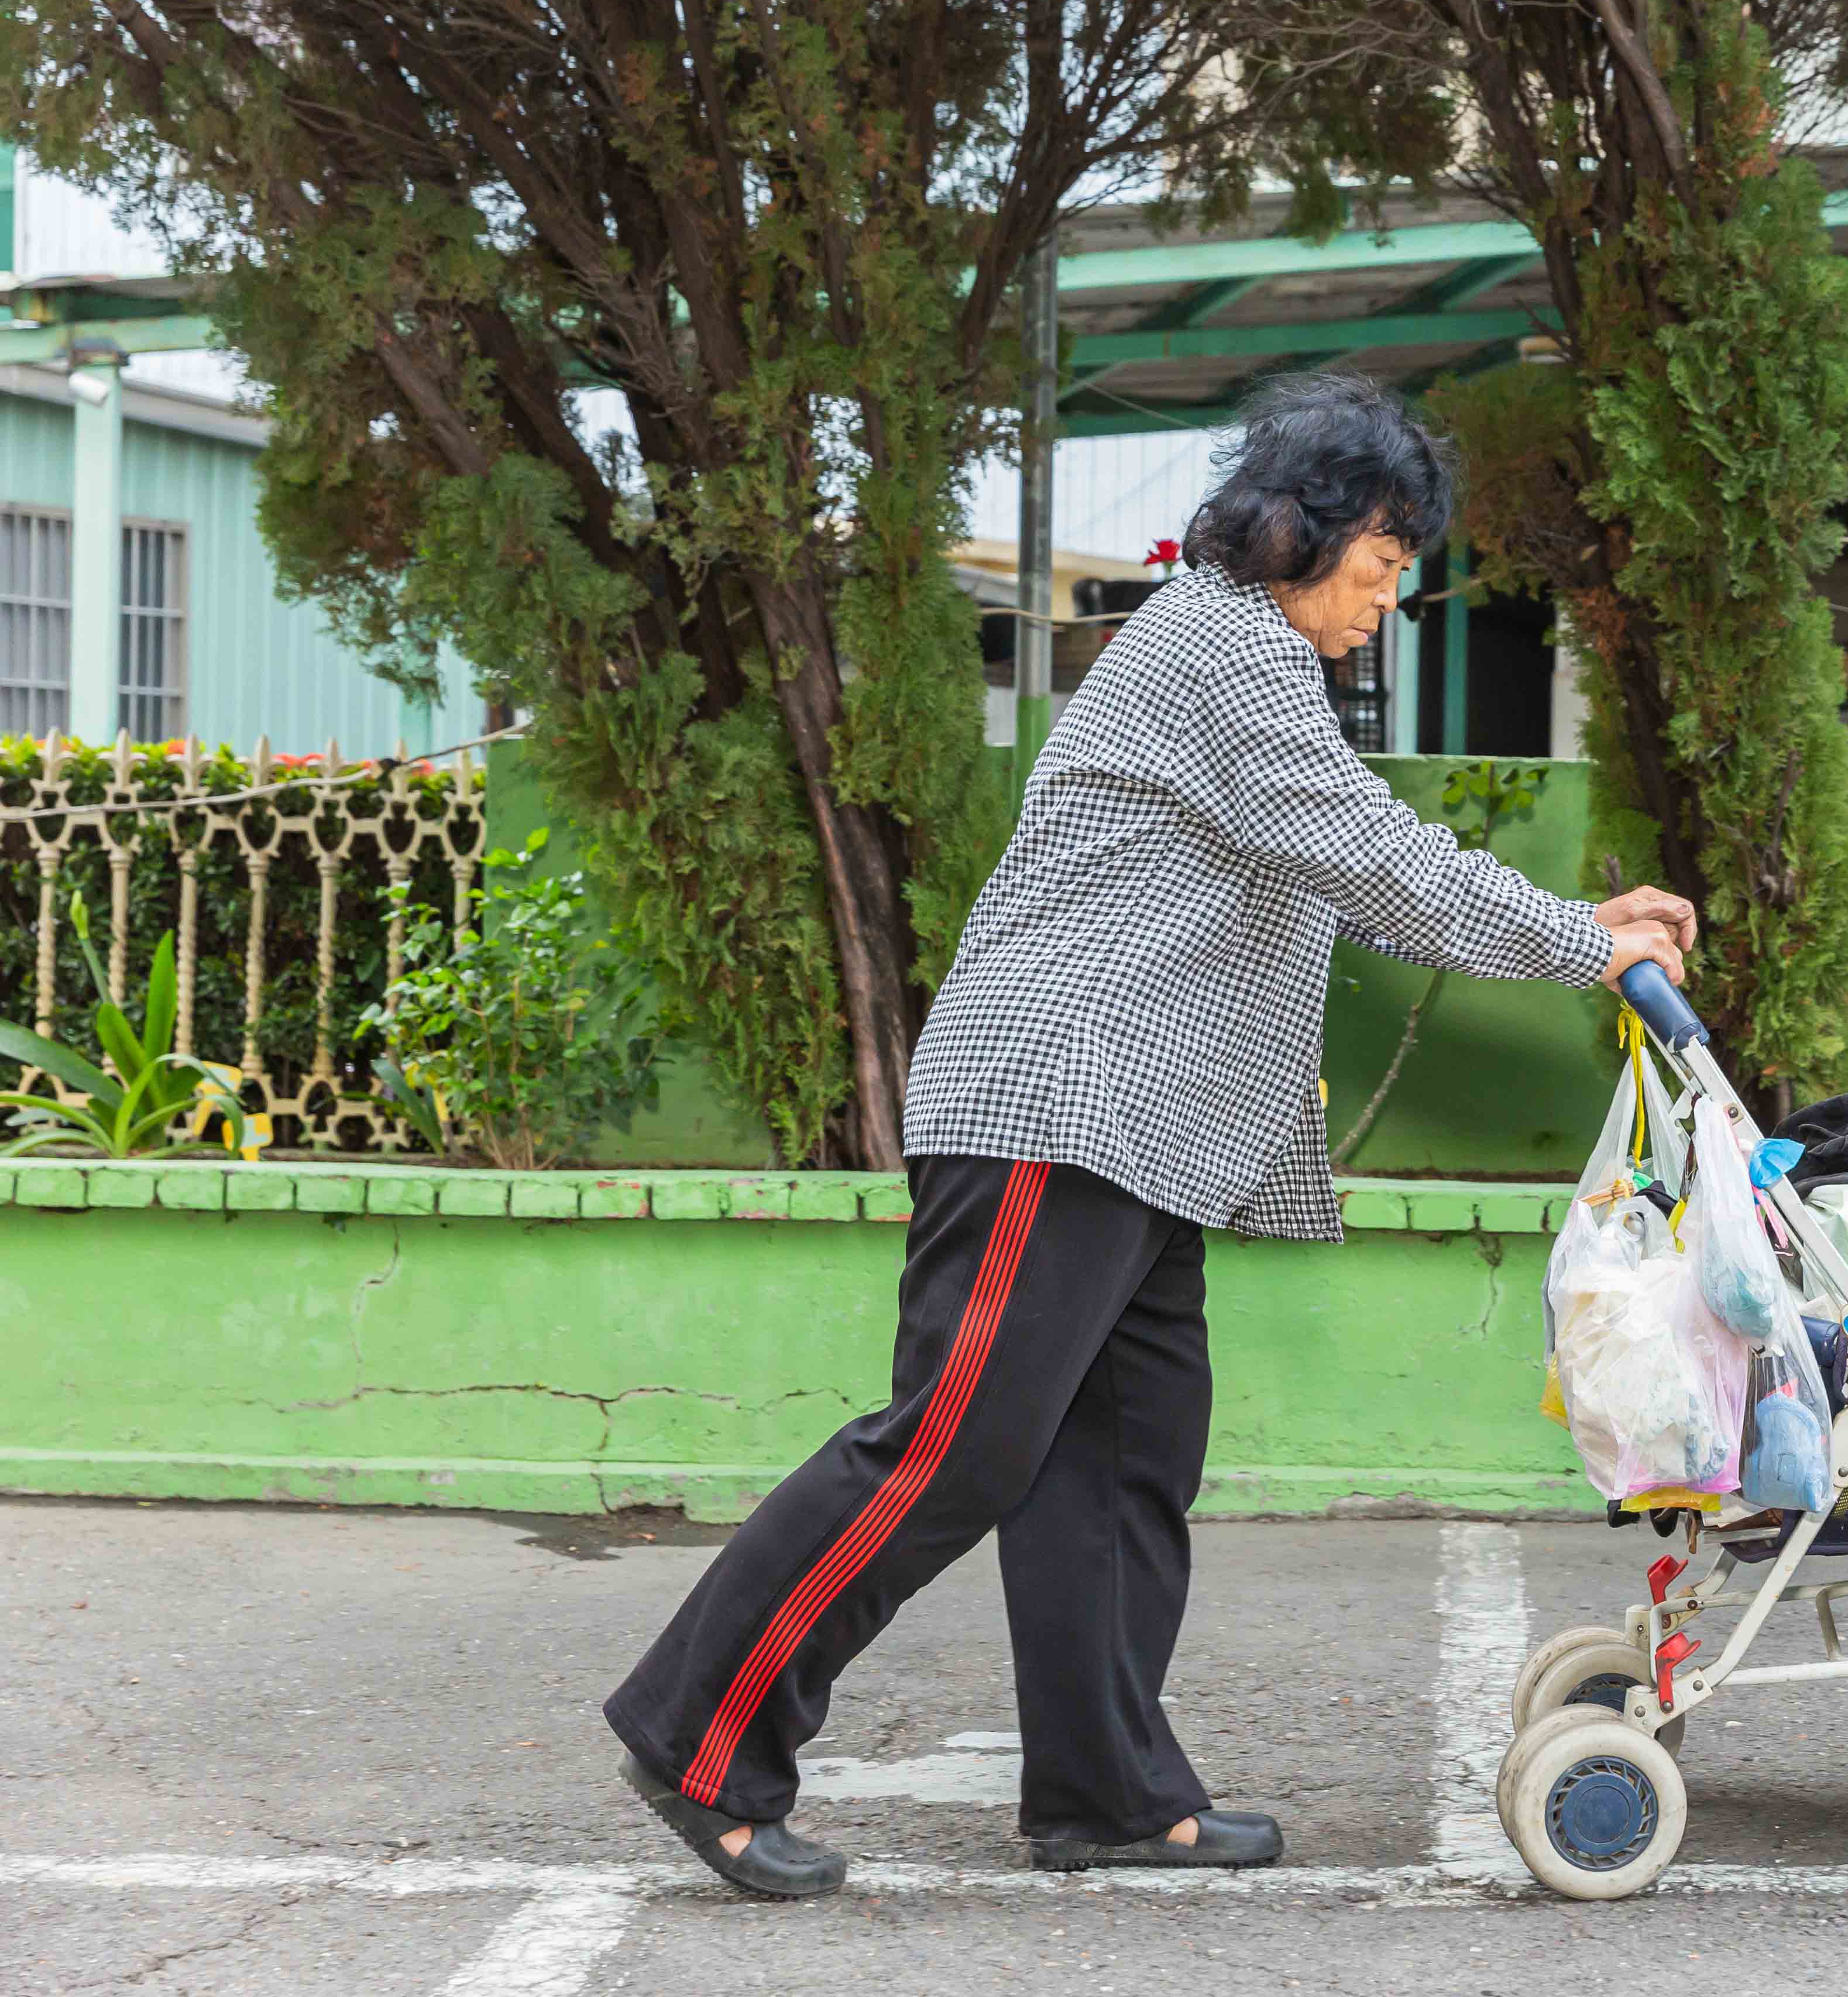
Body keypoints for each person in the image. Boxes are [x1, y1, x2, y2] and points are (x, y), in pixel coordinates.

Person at [603, 373, 1696, 1897]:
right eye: (1382, 570)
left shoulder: (1241, 657)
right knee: (951, 1454)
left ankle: (1106, 1794)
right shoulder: (1222, 647)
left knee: (1121, 1462)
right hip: (1057, 1106)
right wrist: (1586, 936)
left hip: (1137, 1138)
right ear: (1305, 536)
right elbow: (1377, 858)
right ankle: (699, 1736)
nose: (1390, 605)